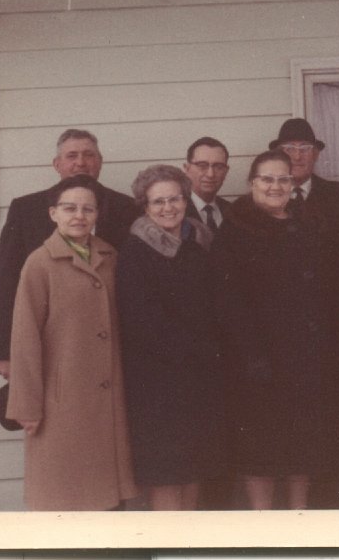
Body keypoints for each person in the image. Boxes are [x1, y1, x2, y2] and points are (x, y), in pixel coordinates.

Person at [6, 174, 136, 511]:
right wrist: (27, 405)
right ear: (53, 213)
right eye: (69, 208)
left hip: (108, 397)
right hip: (60, 400)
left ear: (96, 215)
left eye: (87, 209)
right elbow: (24, 338)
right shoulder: (40, 263)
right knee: (65, 497)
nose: (79, 216)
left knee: (106, 502)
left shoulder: (110, 255)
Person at [210, 149, 330, 510]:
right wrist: (252, 358)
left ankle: (299, 519)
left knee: (301, 448)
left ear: (293, 185)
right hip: (257, 364)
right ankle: (264, 526)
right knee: (259, 449)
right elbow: (226, 303)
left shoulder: (306, 223)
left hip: (304, 360)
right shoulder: (235, 230)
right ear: (251, 184)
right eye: (267, 179)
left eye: (284, 179)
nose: (276, 186)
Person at [115, 165, 222, 510]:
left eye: (174, 199)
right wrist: (197, 351)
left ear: (185, 199)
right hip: (157, 385)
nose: (167, 208)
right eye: (157, 202)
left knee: (193, 469)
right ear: (145, 207)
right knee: (166, 474)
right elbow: (142, 322)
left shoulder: (200, 242)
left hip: (199, 379)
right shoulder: (135, 251)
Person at [0, 129, 137, 380]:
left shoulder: (127, 208)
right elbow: (7, 281)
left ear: (100, 162)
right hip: (52, 342)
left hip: (113, 340)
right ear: (57, 164)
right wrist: (3, 351)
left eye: (89, 155)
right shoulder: (26, 210)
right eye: (72, 155)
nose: (80, 162)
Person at [268, 118, 339, 231]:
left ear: (315, 154)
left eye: (305, 148)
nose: (297, 156)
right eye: (289, 149)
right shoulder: (266, 197)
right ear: (279, 155)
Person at [183, 137, 232, 231]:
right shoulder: (173, 211)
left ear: (226, 171)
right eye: (202, 166)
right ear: (186, 169)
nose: (210, 174)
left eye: (218, 167)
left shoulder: (233, 212)